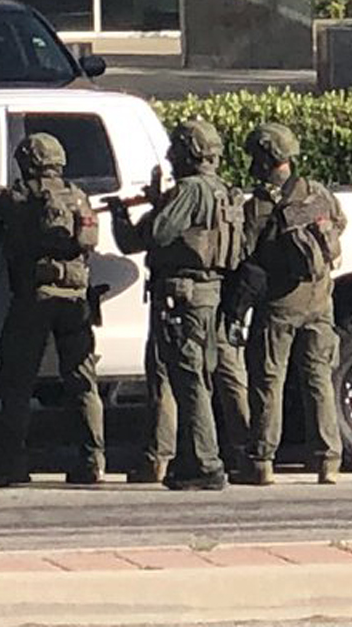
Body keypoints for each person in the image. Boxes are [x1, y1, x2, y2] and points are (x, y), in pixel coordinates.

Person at [109, 119, 244, 491]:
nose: (170, 157)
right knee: (201, 377)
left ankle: (204, 463)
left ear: (189, 152)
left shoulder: (190, 190)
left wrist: (132, 213)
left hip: (182, 296)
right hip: (210, 293)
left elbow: (154, 234)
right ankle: (195, 458)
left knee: (187, 380)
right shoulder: (223, 191)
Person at [0, 133, 105, 486]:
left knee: (17, 381)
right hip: (77, 298)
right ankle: (93, 461)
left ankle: (12, 463)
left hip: (35, 298)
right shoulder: (78, 196)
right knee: (83, 382)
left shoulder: (21, 198)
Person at [235, 122, 347, 486]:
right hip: (320, 299)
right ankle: (328, 461)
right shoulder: (318, 193)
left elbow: (246, 252)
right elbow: (340, 224)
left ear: (267, 158)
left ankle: (261, 461)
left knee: (269, 380)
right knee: (319, 379)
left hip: (280, 304)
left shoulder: (261, 205)